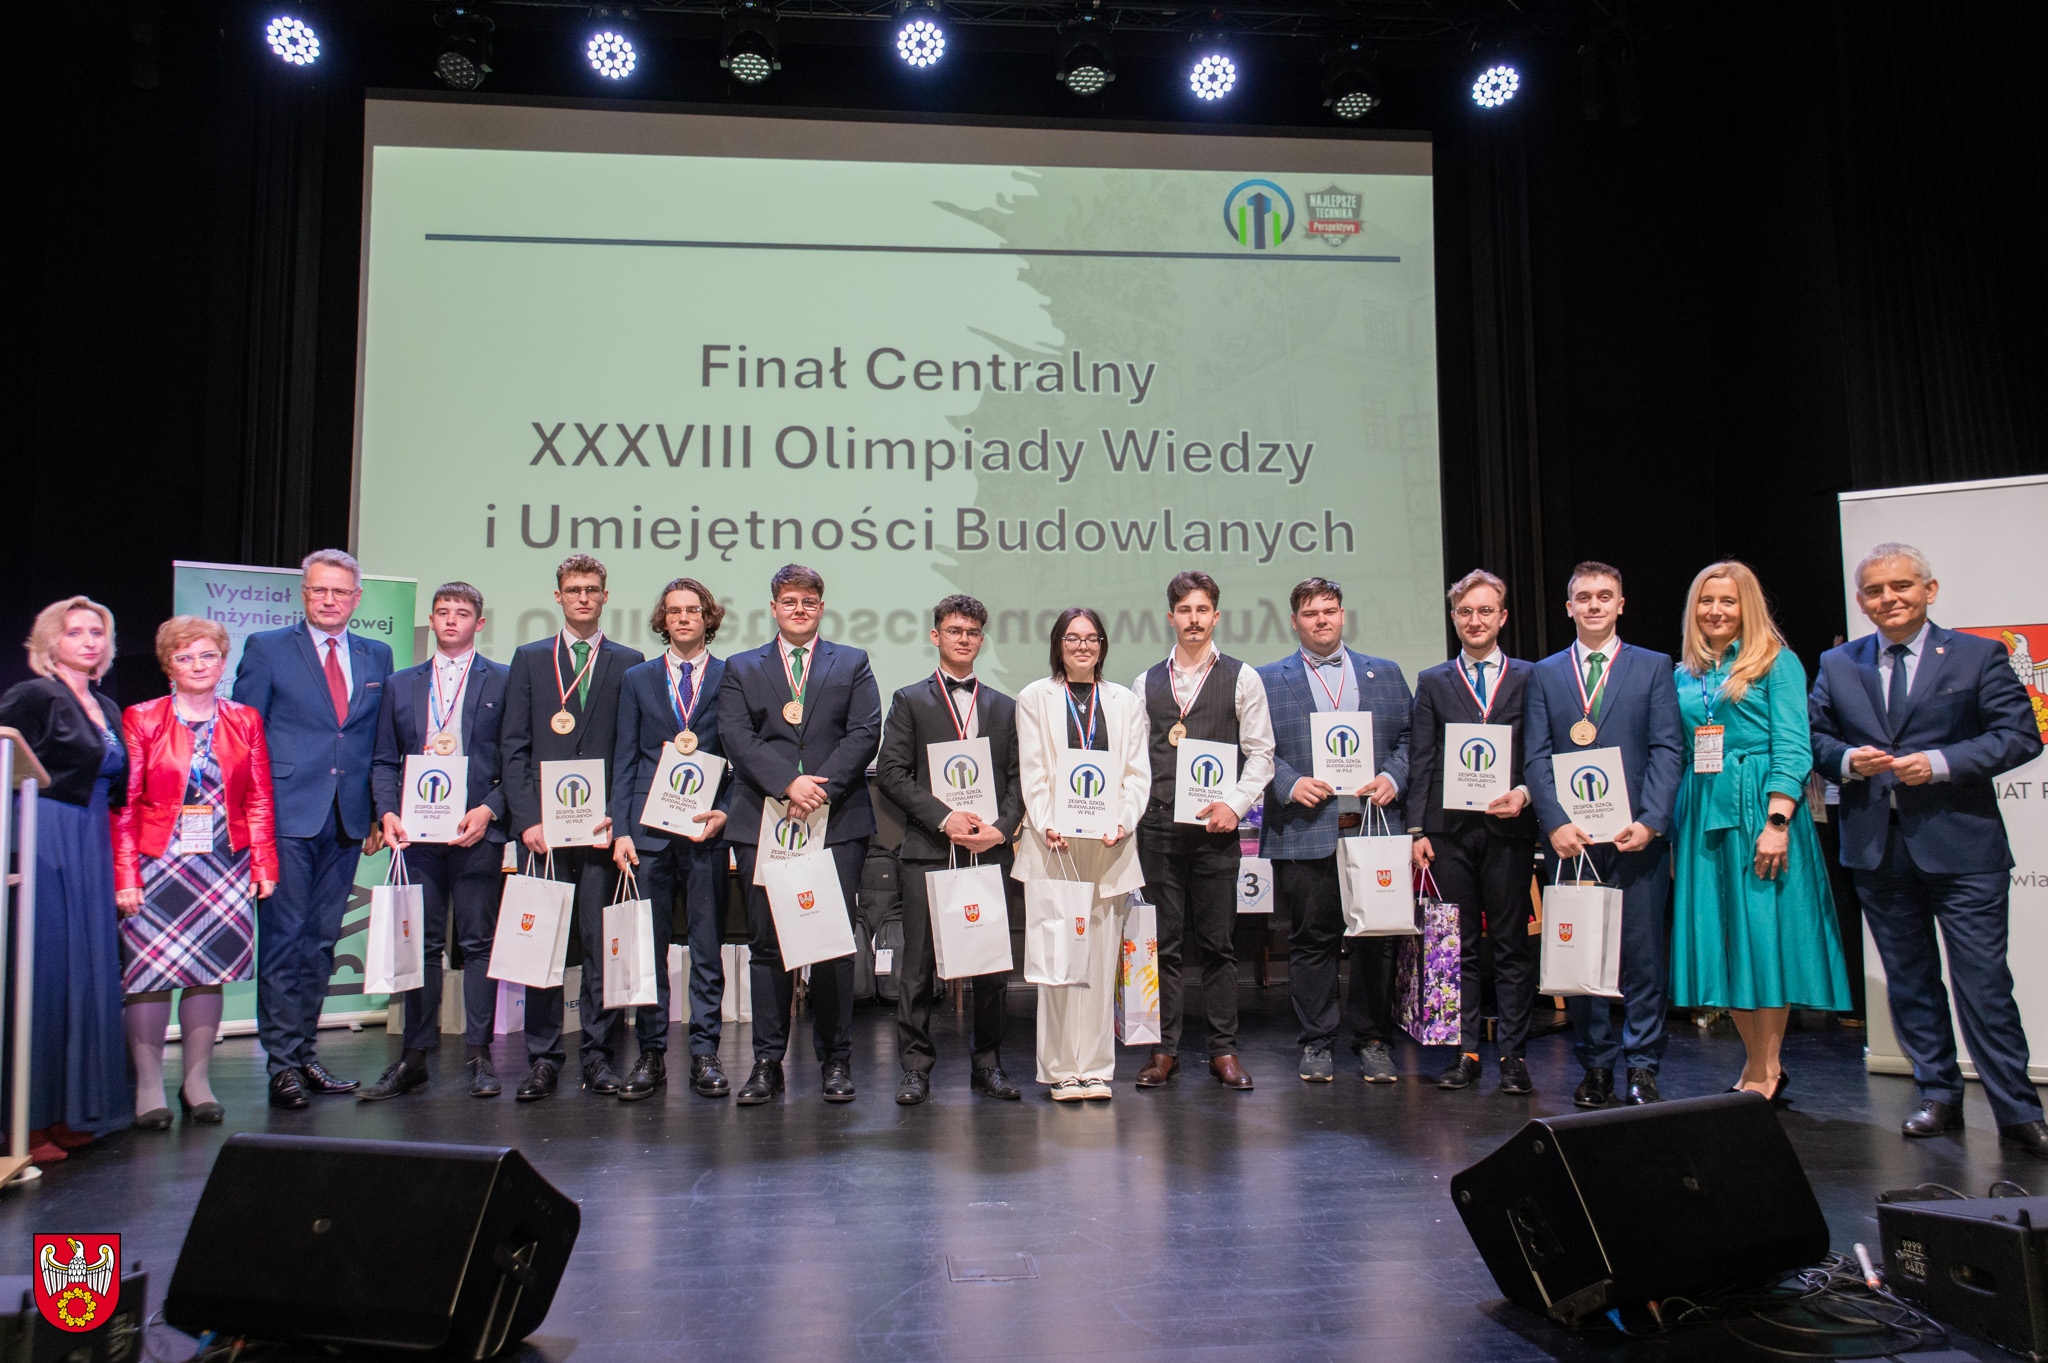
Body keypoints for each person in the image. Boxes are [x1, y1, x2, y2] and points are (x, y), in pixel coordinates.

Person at [1810, 543, 2048, 1155]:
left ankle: (2018, 1110)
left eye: (1901, 586)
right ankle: (1937, 1093)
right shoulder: (1838, 662)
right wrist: (1847, 759)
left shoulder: (1977, 655)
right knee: (1910, 981)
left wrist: (1940, 763)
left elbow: (2020, 735)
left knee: (1984, 985)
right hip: (1877, 850)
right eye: (1875, 590)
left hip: (1964, 850)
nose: (1888, 598)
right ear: (1861, 601)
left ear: (1929, 590)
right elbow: (1815, 737)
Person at [1669, 562, 1851, 1099]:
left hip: (1760, 810)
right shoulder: (1685, 674)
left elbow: (1793, 745)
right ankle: (1756, 1064)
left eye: (1727, 601)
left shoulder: (1777, 662)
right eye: (1706, 601)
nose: (1715, 611)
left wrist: (1777, 821)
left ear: (1747, 606)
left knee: (1763, 936)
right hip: (1704, 810)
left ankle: (1765, 1069)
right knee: (1725, 938)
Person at [232, 549, 394, 1109]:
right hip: (285, 815)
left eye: (340, 592)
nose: (329, 600)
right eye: (319, 590)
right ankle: (281, 1064)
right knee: (285, 939)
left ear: (356, 598)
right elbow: (244, 735)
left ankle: (304, 1054)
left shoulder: (377, 655)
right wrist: (251, 818)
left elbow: (379, 741)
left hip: (347, 819)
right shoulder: (268, 648)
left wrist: (376, 811)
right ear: (304, 594)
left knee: (322, 941)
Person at [718, 564, 882, 1105]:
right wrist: (787, 782)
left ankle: (836, 1060)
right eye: (789, 601)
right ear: (773, 607)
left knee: (832, 942)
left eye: (809, 601)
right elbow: (735, 735)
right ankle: (767, 1062)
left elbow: (865, 732)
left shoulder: (851, 662)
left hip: (837, 821)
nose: (799, 610)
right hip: (763, 817)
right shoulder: (742, 666)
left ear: (821, 607)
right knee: (767, 943)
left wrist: (818, 788)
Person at [1525, 561, 1684, 1107]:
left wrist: (1652, 820)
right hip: (1571, 843)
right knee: (1580, 957)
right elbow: (1536, 756)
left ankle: (1643, 1065)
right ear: (1568, 607)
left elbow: (1668, 748)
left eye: (1604, 596)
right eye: (1584, 597)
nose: (1594, 605)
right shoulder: (1545, 673)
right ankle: (1596, 1064)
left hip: (1634, 836)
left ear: (1620, 604)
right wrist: (1554, 823)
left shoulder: (1653, 666)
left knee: (1643, 958)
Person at [112, 617, 278, 1128]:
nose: (198, 665)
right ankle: (148, 1087)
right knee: (148, 974)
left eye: (207, 656)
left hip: (224, 862)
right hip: (156, 861)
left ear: (223, 662)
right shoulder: (142, 717)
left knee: (209, 970)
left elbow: (259, 797)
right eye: (185, 657)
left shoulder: (245, 719)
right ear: (169, 666)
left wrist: (264, 863)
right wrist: (125, 874)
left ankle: (196, 1082)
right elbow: (125, 804)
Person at [1258, 577, 1415, 1085]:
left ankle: (1373, 1041)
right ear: (1294, 621)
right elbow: (1255, 747)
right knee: (1311, 941)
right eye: (1310, 613)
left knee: (1378, 940)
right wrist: (1289, 782)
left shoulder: (1385, 673)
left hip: (1374, 827)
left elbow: (1412, 738)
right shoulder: (1266, 680)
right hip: (1306, 827)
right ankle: (1317, 1041)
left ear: (1343, 615)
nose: (1321, 620)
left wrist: (1393, 777)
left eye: (1329, 610)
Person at [501, 554, 644, 1101]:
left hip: (601, 827)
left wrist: (620, 816)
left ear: (606, 596)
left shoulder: (628, 662)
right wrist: (526, 819)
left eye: (592, 589)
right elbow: (513, 747)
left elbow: (629, 751)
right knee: (543, 942)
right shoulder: (530, 658)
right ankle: (542, 1057)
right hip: (543, 831)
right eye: (573, 589)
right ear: (558, 596)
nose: (583, 597)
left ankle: (598, 1054)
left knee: (600, 942)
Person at [364, 583, 511, 1101]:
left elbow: (516, 757)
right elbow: (384, 759)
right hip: (417, 833)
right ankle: (414, 1057)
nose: (451, 620)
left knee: (477, 944)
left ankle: (480, 1055)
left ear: (479, 623)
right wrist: (387, 812)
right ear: (430, 620)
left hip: (476, 830)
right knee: (422, 945)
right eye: (443, 612)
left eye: (462, 613)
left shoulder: (504, 679)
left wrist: (490, 808)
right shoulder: (400, 684)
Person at [875, 594, 1025, 1104]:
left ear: (982, 640)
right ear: (935, 635)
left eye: (973, 632)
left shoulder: (1005, 707)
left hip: (988, 850)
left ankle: (988, 1064)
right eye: (955, 630)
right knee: (916, 968)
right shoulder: (909, 700)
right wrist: (944, 817)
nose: (964, 639)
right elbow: (891, 772)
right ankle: (916, 1067)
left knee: (992, 967)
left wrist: (1001, 828)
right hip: (929, 850)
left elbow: (1019, 779)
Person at [1129, 571, 1276, 1090]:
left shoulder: (1243, 677)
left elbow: (1261, 755)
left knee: (1218, 945)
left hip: (1217, 831)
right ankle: (1163, 1050)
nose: (1193, 619)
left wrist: (1236, 805)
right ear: (1170, 618)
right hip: (1158, 829)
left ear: (1216, 616)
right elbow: (1133, 760)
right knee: (1163, 946)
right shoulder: (1145, 682)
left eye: (1202, 610)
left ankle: (1223, 1050)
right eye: (1184, 610)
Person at [0, 597, 130, 1162]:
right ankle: (24, 1122)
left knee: (86, 973)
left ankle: (73, 1110)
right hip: (42, 834)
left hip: (91, 839)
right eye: (74, 632)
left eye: (96, 632)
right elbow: (5, 761)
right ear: (50, 641)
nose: (88, 641)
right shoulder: (33, 695)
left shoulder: (105, 704)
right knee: (44, 973)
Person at [1406, 571, 1539, 1095]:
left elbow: (1540, 751)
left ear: (1502, 617)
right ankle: (1465, 1052)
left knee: (1510, 945)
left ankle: (1513, 1054)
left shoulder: (1529, 677)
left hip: (1509, 828)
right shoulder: (1434, 680)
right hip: (1449, 833)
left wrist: (1525, 793)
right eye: (1465, 612)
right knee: (1457, 945)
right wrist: (1417, 828)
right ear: (1454, 618)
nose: (1475, 620)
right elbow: (1422, 756)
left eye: (1485, 611)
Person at [1014, 608, 1150, 1099]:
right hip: (1055, 845)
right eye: (1072, 638)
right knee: (1058, 960)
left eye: (1092, 638)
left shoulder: (1125, 702)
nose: (1083, 646)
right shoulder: (1034, 697)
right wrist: (1047, 821)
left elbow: (1136, 774)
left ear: (1102, 645)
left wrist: (1123, 821)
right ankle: (1058, 1069)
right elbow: (1033, 771)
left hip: (1109, 847)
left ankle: (1094, 1068)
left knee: (1099, 960)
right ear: (1058, 645)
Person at [612, 577, 733, 1101]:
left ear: (709, 617)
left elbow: (741, 754)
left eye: (693, 610)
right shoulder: (637, 678)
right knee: (650, 948)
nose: (683, 618)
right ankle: (651, 1053)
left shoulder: (732, 676)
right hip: (648, 831)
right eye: (674, 611)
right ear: (663, 620)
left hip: (706, 827)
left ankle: (705, 1051)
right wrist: (620, 829)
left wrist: (727, 811)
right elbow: (624, 758)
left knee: (706, 947)